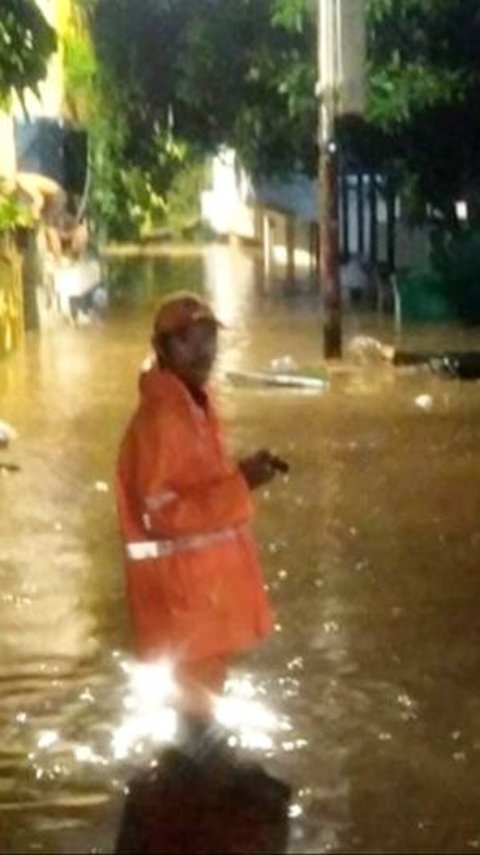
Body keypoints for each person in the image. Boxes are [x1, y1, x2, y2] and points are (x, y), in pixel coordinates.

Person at [116, 291, 288, 734]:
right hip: (184, 601)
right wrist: (242, 483)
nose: (203, 350)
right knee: (197, 726)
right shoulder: (162, 419)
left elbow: (192, 487)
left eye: (208, 337)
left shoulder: (193, 405)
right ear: (161, 350)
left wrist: (242, 475)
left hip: (199, 598)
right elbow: (163, 513)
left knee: (200, 716)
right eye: (187, 340)